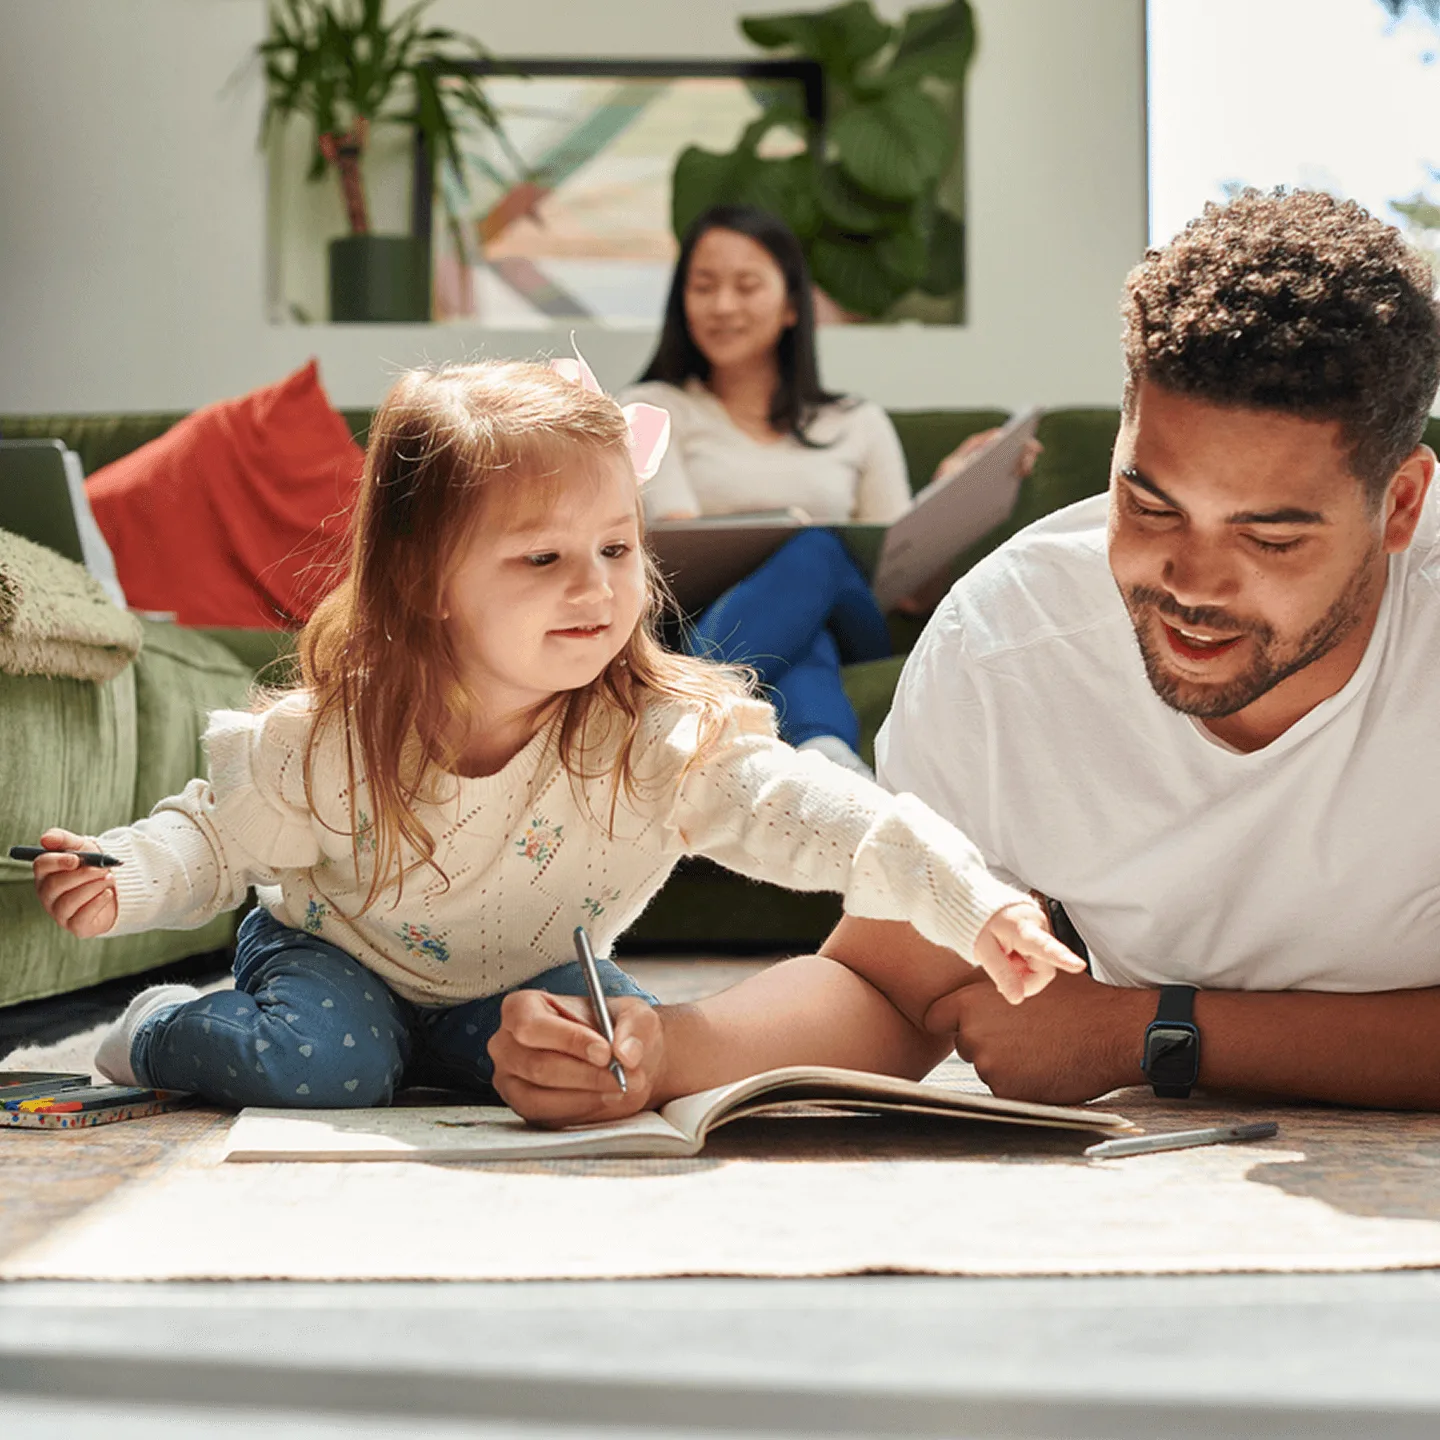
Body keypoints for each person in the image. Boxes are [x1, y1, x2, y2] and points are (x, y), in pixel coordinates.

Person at [492, 188, 1440, 1122]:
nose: (1191, 582)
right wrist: (664, 1050)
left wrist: (1147, 1035)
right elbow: (896, 984)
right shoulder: (1010, 645)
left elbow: (1120, 1033)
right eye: (1150, 505)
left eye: (1270, 539)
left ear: (1399, 507)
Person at [29, 354, 1081, 1111]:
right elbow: (214, 839)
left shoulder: (658, 734)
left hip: (522, 970)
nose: (597, 588)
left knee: (607, 1065)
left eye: (618, 549)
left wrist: (969, 900)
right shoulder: (344, 735)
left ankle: (435, 1055)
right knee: (331, 1069)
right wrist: (124, 876)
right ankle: (161, 1027)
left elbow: (813, 812)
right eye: (542, 559)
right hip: (333, 952)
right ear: (425, 583)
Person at [624, 205, 1027, 779]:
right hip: (696, 615)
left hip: (848, 618)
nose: (722, 306)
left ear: (792, 304)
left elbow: (908, 593)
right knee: (804, 632)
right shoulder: (654, 406)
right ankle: (830, 761)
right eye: (704, 286)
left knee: (816, 548)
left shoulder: (857, 422)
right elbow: (679, 545)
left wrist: (953, 488)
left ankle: (685, 712)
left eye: (746, 285)